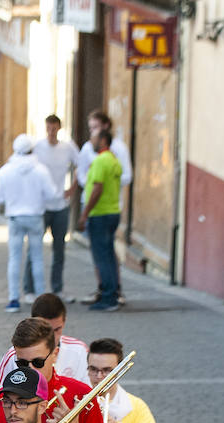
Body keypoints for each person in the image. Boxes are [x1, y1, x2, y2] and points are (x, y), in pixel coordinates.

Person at [0, 134, 58, 312]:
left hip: (15, 217)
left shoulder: (6, 170)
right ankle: (42, 300)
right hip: (35, 217)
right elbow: (52, 194)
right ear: (32, 149)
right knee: (37, 258)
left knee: (14, 258)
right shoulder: (41, 170)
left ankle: (13, 299)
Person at [77, 111, 132, 306]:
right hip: (112, 210)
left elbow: (97, 188)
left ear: (102, 139)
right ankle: (111, 292)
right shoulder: (112, 160)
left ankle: (109, 296)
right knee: (107, 254)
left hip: (99, 212)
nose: (90, 138)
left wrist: (84, 214)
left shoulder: (101, 160)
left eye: (93, 134)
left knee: (102, 256)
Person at [27, 114, 79, 300]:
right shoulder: (37, 147)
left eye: (54, 128)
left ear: (59, 128)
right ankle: (30, 289)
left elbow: (81, 166)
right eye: (48, 128)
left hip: (60, 205)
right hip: (40, 206)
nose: (51, 131)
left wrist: (72, 189)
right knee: (34, 247)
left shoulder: (68, 147)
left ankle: (57, 288)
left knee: (59, 249)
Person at [30, 294, 88, 380]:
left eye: (57, 329)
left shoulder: (79, 351)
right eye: (45, 331)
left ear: (64, 322)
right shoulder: (16, 355)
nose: (52, 338)